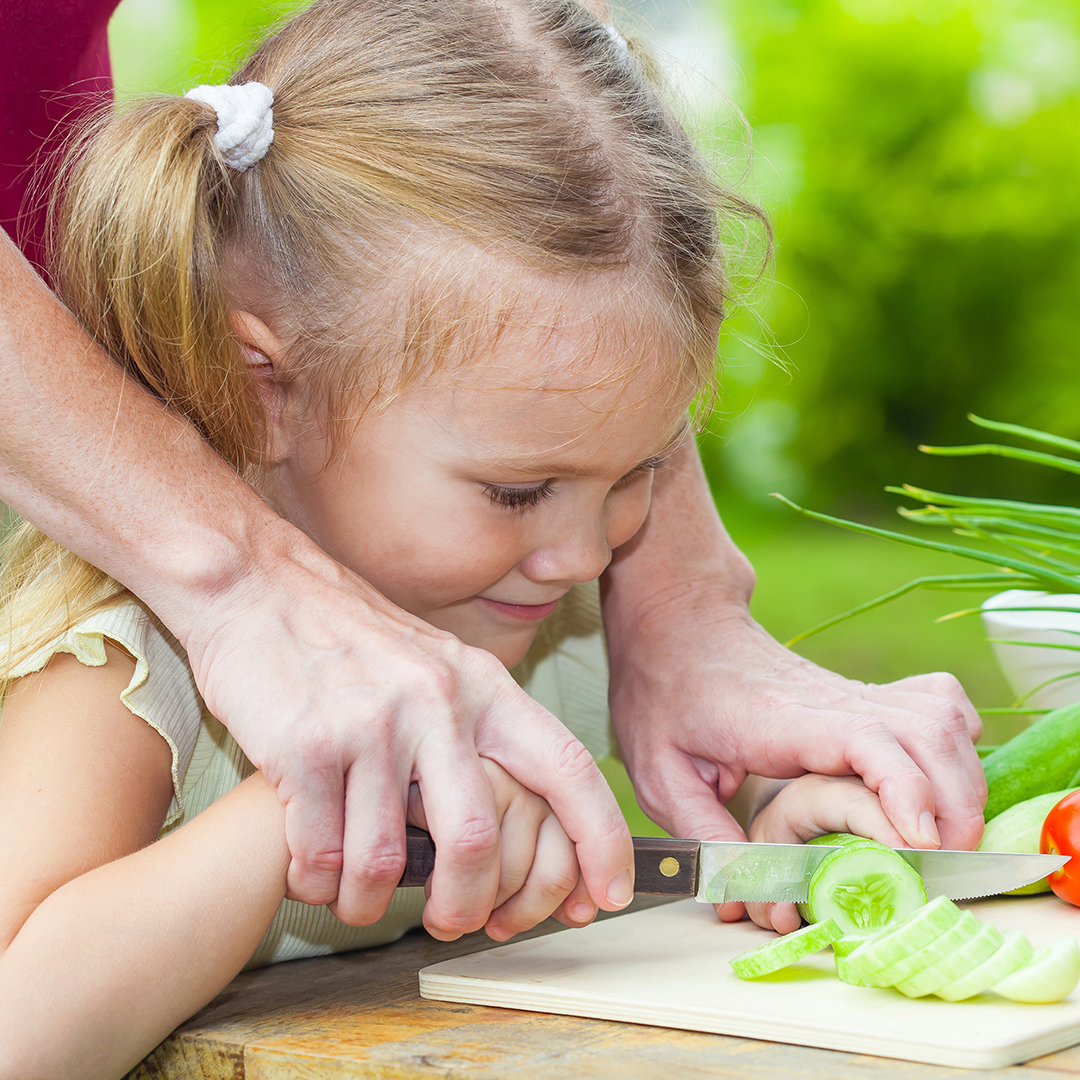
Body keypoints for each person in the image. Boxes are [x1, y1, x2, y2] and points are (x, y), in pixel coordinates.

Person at [0, 0, 987, 939]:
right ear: (264, 388)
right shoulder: (139, 670)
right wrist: (297, 814)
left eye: (641, 469)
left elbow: (715, 781)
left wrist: (797, 810)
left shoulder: (551, 621)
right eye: (519, 490)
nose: (582, 552)